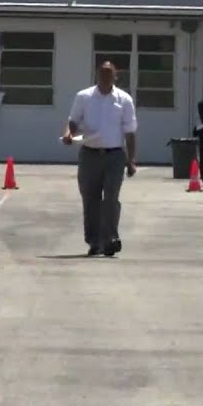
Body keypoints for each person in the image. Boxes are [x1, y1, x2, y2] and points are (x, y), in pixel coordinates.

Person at [63, 60, 137, 258]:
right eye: (101, 73)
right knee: (91, 200)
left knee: (111, 199)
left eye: (109, 73)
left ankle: (110, 239)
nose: (105, 77)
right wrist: (69, 134)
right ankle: (94, 241)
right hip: (89, 155)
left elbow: (130, 132)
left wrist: (131, 160)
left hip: (114, 156)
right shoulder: (84, 97)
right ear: (96, 75)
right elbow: (73, 121)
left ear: (115, 76)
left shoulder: (124, 100)